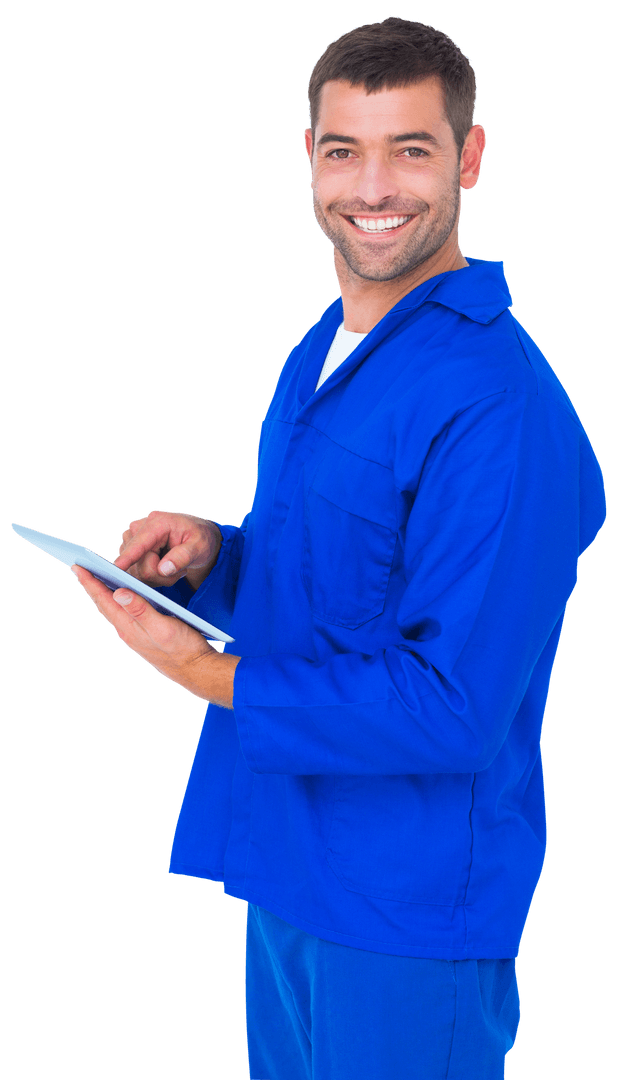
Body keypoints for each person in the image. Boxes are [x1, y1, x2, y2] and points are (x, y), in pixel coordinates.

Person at [72, 16, 607, 1080]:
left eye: (411, 149)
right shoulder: (330, 344)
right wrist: (218, 557)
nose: (373, 188)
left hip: (405, 913)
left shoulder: (497, 406)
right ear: (308, 160)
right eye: (344, 150)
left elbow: (453, 705)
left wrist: (207, 672)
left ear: (469, 157)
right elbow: (348, 575)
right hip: (289, 870)